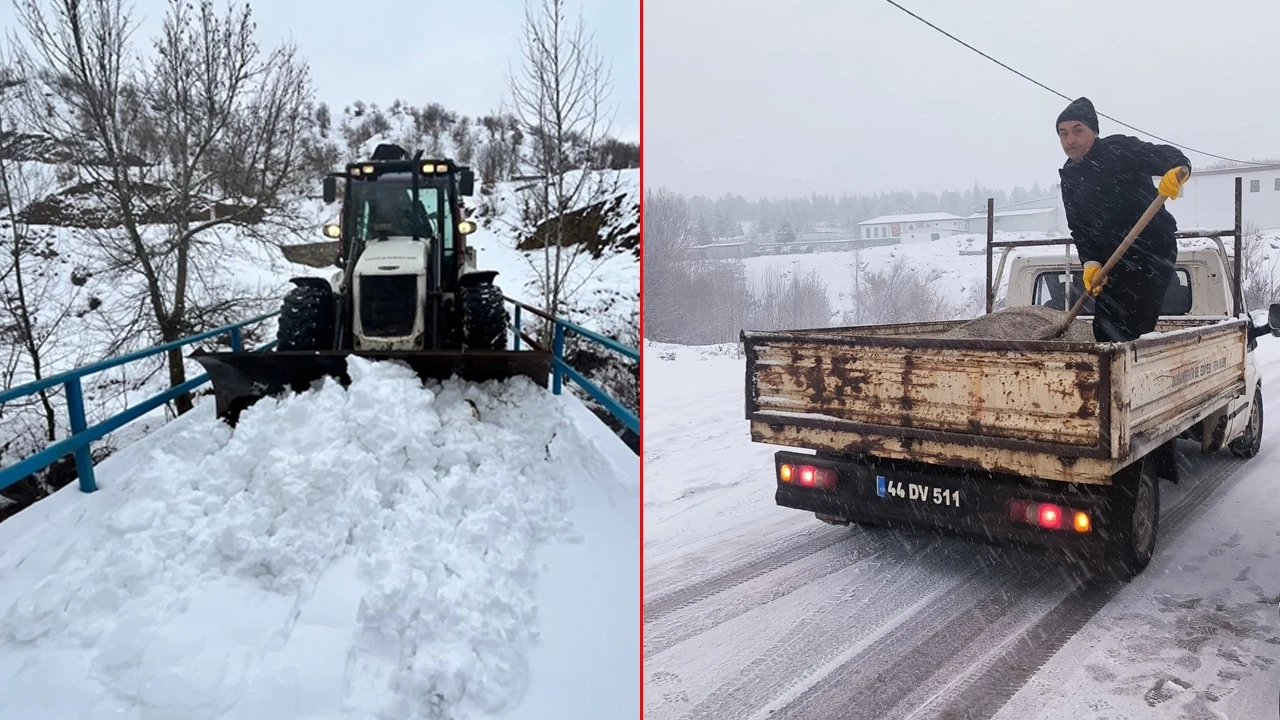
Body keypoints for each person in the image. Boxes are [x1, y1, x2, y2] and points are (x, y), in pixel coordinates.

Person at [1056, 96, 1190, 342]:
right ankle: (1109, 376)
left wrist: (1177, 167)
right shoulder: (1070, 176)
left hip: (1151, 251)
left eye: (1077, 131)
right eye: (1063, 134)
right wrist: (1090, 262)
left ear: (1094, 131)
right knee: (1105, 330)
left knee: (1133, 329)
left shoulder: (1119, 150)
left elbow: (1160, 154)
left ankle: (1129, 374)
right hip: (1112, 260)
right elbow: (1079, 228)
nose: (1070, 140)